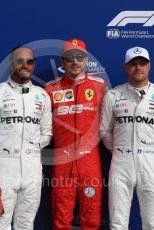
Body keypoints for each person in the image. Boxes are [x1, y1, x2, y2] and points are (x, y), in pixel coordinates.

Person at [100, 46, 154, 230]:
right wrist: (120, 151)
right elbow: (105, 131)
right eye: (133, 64)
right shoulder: (113, 95)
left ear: (149, 66)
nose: (138, 68)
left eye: (142, 63)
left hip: (150, 163)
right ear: (126, 67)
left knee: (152, 223)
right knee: (117, 223)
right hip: (121, 162)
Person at [0, 46, 52, 230]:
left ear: (34, 65)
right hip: (4, 169)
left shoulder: (42, 96)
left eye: (30, 61)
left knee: (26, 224)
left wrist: (29, 149)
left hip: (32, 169)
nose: (24, 65)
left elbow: (47, 133)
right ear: (11, 63)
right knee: (0, 223)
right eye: (20, 61)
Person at [45, 38, 107, 229]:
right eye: (69, 57)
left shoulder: (100, 86)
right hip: (62, 163)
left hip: (90, 161)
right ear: (62, 62)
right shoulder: (50, 89)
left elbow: (111, 125)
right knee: (60, 217)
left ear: (86, 60)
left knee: (92, 216)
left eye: (79, 57)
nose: (75, 61)